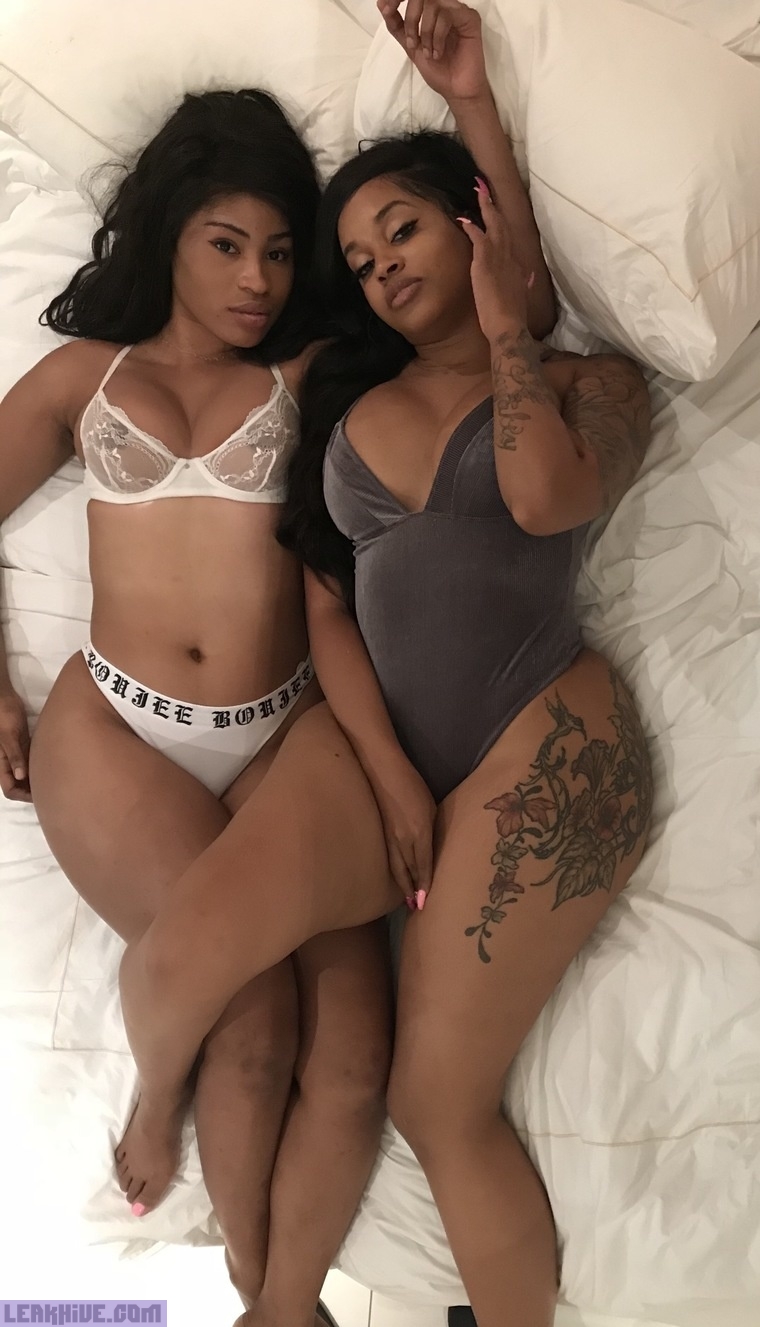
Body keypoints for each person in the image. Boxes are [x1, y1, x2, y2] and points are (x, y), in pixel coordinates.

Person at [280, 2, 655, 1324]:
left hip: (544, 743)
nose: (380, 265)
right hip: (410, 779)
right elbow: (325, 604)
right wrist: (390, 776)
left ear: (472, 229)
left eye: (403, 228)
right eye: (360, 257)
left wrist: (505, 322)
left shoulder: (590, 386)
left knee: (435, 1101)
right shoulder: (351, 403)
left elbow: (544, 499)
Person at [0, 88, 396, 1327]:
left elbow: (485, 323)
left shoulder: (310, 369)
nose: (257, 280)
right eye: (226, 244)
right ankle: (234, 1240)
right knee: (254, 1017)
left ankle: (274, 1305)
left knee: (348, 1048)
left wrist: (474, 117)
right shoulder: (82, 377)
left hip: (284, 733)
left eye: (278, 250)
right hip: (115, 731)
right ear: (169, 232)